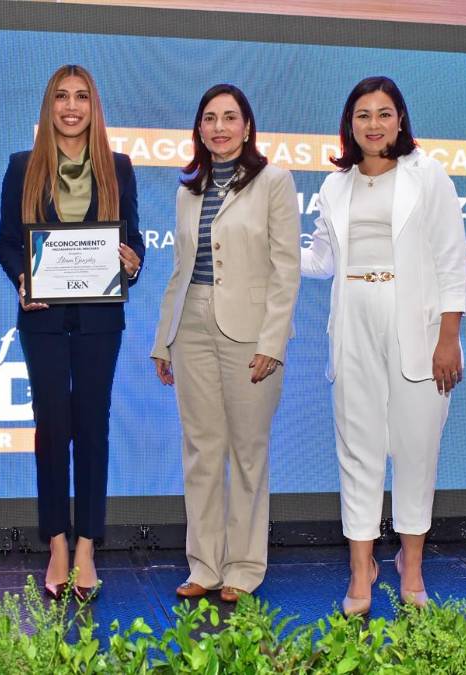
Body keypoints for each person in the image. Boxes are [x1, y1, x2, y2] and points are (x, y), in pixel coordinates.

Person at [301, 76, 466, 615]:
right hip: (353, 328)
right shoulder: (334, 187)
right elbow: (322, 261)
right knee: (358, 452)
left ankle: (411, 567)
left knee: (417, 452)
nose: (374, 124)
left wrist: (449, 339)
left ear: (400, 120)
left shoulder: (428, 176)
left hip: (417, 332)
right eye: (363, 115)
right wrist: (267, 247)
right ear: (349, 124)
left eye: (384, 113)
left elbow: (451, 261)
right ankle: (360, 570)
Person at [0, 64, 144, 602]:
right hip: (44, 320)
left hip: (100, 321)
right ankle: (56, 541)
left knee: (94, 429)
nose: (72, 106)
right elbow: (10, 242)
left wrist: (131, 261)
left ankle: (87, 546)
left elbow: (132, 242)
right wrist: (21, 277)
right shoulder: (23, 167)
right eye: (62, 96)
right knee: (52, 429)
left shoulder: (119, 168)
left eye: (82, 96)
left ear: (93, 106)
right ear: (49, 105)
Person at [151, 83, 300, 603]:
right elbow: (178, 270)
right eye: (209, 117)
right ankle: (204, 565)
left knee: (248, 452)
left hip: (251, 332)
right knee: (201, 451)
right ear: (199, 128)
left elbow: (287, 269)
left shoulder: (274, 182)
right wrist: (162, 339)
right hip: (190, 324)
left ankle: (243, 567)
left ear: (247, 126)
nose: (219, 127)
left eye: (229, 117)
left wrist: (273, 341)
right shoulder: (186, 189)